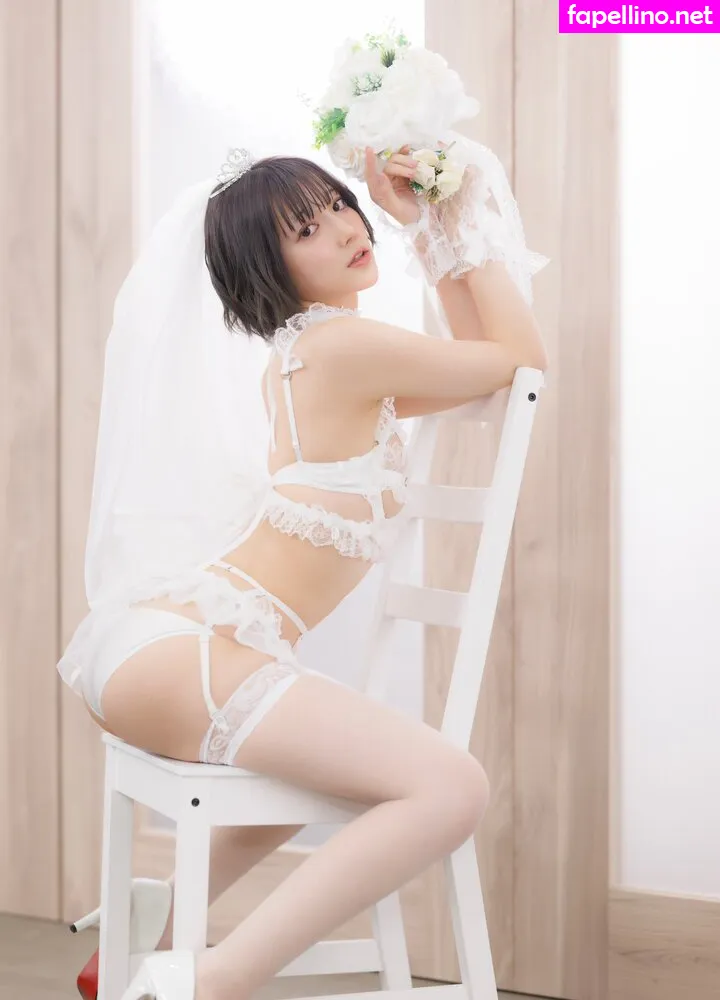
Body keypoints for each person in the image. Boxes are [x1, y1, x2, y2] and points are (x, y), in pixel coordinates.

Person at [63, 140, 548, 1000]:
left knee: (341, 774)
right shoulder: (343, 348)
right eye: (306, 230)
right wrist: (453, 213)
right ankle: (213, 980)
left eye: (338, 206)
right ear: (267, 268)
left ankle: (155, 930)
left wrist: (427, 224)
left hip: (167, 647)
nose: (347, 228)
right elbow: (522, 357)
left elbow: (490, 372)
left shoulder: (312, 357)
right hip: (188, 653)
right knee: (452, 787)